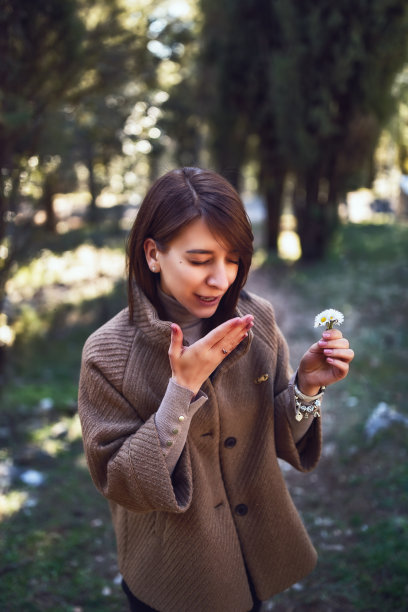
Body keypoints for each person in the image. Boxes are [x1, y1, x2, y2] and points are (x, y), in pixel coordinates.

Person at [78, 167, 354, 612]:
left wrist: (305, 388)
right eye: (200, 259)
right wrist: (181, 390)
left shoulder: (256, 320)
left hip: (252, 562)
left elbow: (277, 436)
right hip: (174, 578)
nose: (221, 279)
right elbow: (119, 480)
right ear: (153, 254)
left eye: (233, 259)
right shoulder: (107, 354)